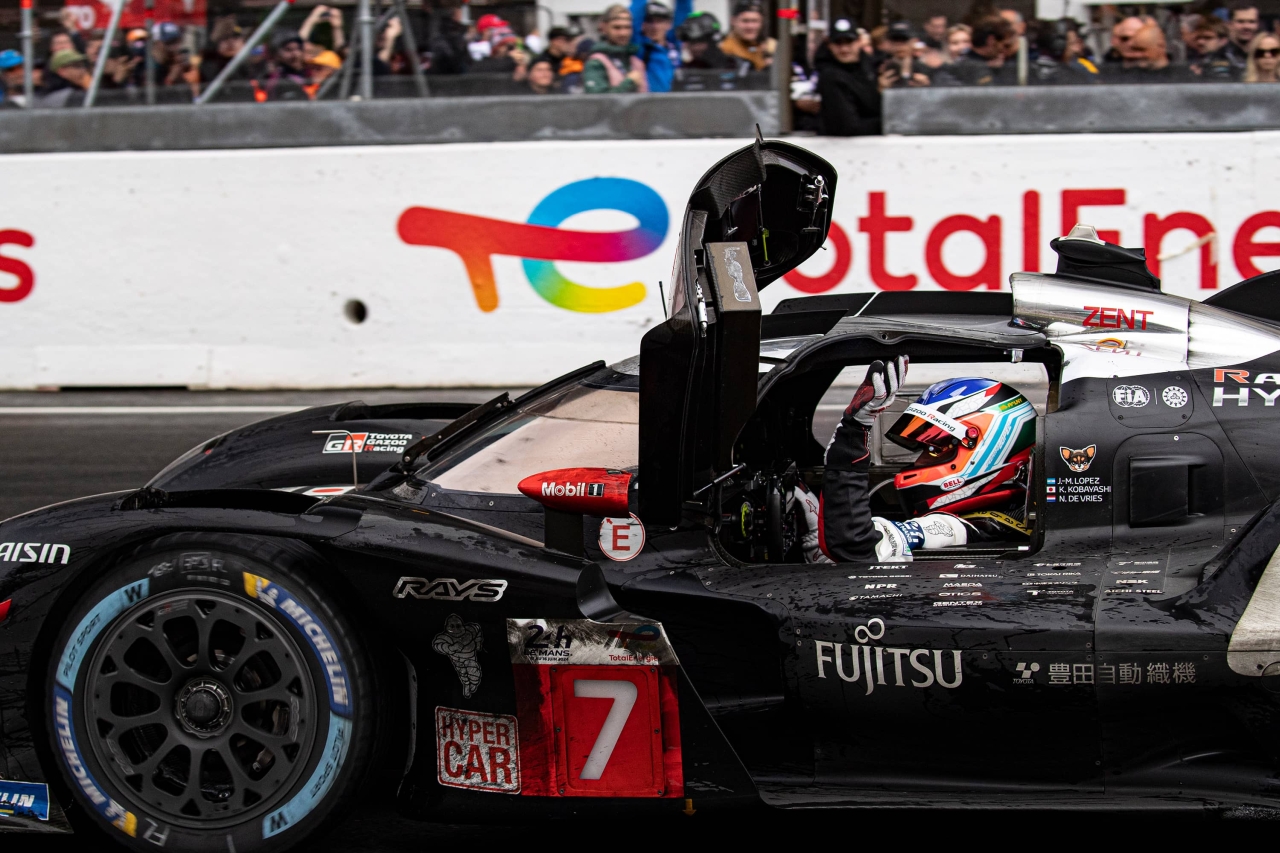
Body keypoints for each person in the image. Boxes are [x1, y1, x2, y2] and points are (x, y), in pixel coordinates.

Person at [799, 357, 1035, 563]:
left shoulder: (965, 528)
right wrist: (817, 545)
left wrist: (851, 438)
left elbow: (856, 544)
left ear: (986, 451)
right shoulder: (1011, 518)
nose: (920, 461)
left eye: (935, 449)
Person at [815, 18, 881, 136]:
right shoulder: (830, 76)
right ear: (829, 45)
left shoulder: (873, 68)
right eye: (838, 43)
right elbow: (847, 127)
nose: (844, 49)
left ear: (859, 41)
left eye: (849, 42)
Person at [583, 5, 648, 93]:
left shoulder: (636, 62)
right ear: (604, 28)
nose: (623, 33)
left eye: (627, 27)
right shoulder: (596, 63)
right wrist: (629, 83)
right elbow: (596, 99)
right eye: (617, 27)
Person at [631, 0, 691, 92]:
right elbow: (635, 16)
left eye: (659, 21)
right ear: (643, 24)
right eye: (650, 21)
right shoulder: (639, 47)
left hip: (676, 99)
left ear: (669, 24)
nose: (655, 27)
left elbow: (683, 10)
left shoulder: (674, 44)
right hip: (649, 100)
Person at [1105, 23, 1194, 82]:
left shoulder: (1183, 76)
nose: (1136, 55)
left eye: (1141, 50)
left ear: (1160, 46)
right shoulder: (1130, 78)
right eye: (1134, 49)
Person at [948, 16, 1017, 85]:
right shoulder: (974, 69)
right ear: (991, 40)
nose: (1005, 51)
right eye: (1005, 46)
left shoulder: (968, 63)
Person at [1030, 18, 1098, 83]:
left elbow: (1095, 76)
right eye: (1072, 43)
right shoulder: (1044, 61)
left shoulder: (1084, 61)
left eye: (1079, 41)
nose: (1078, 46)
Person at [719, 1, 775, 72]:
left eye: (755, 21)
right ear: (733, 21)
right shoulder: (726, 48)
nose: (750, 26)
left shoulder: (758, 46)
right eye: (745, 21)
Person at [877, 21, 933, 87]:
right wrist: (880, 88)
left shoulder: (925, 70)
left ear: (914, 41)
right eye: (895, 40)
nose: (899, 45)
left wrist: (926, 87)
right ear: (888, 42)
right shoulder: (879, 68)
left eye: (904, 39)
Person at [1221, 1, 1260, 75]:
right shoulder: (1218, 57)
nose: (1246, 26)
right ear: (1229, 24)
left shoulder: (1266, 54)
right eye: (1240, 21)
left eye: (1252, 22)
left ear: (1258, 24)